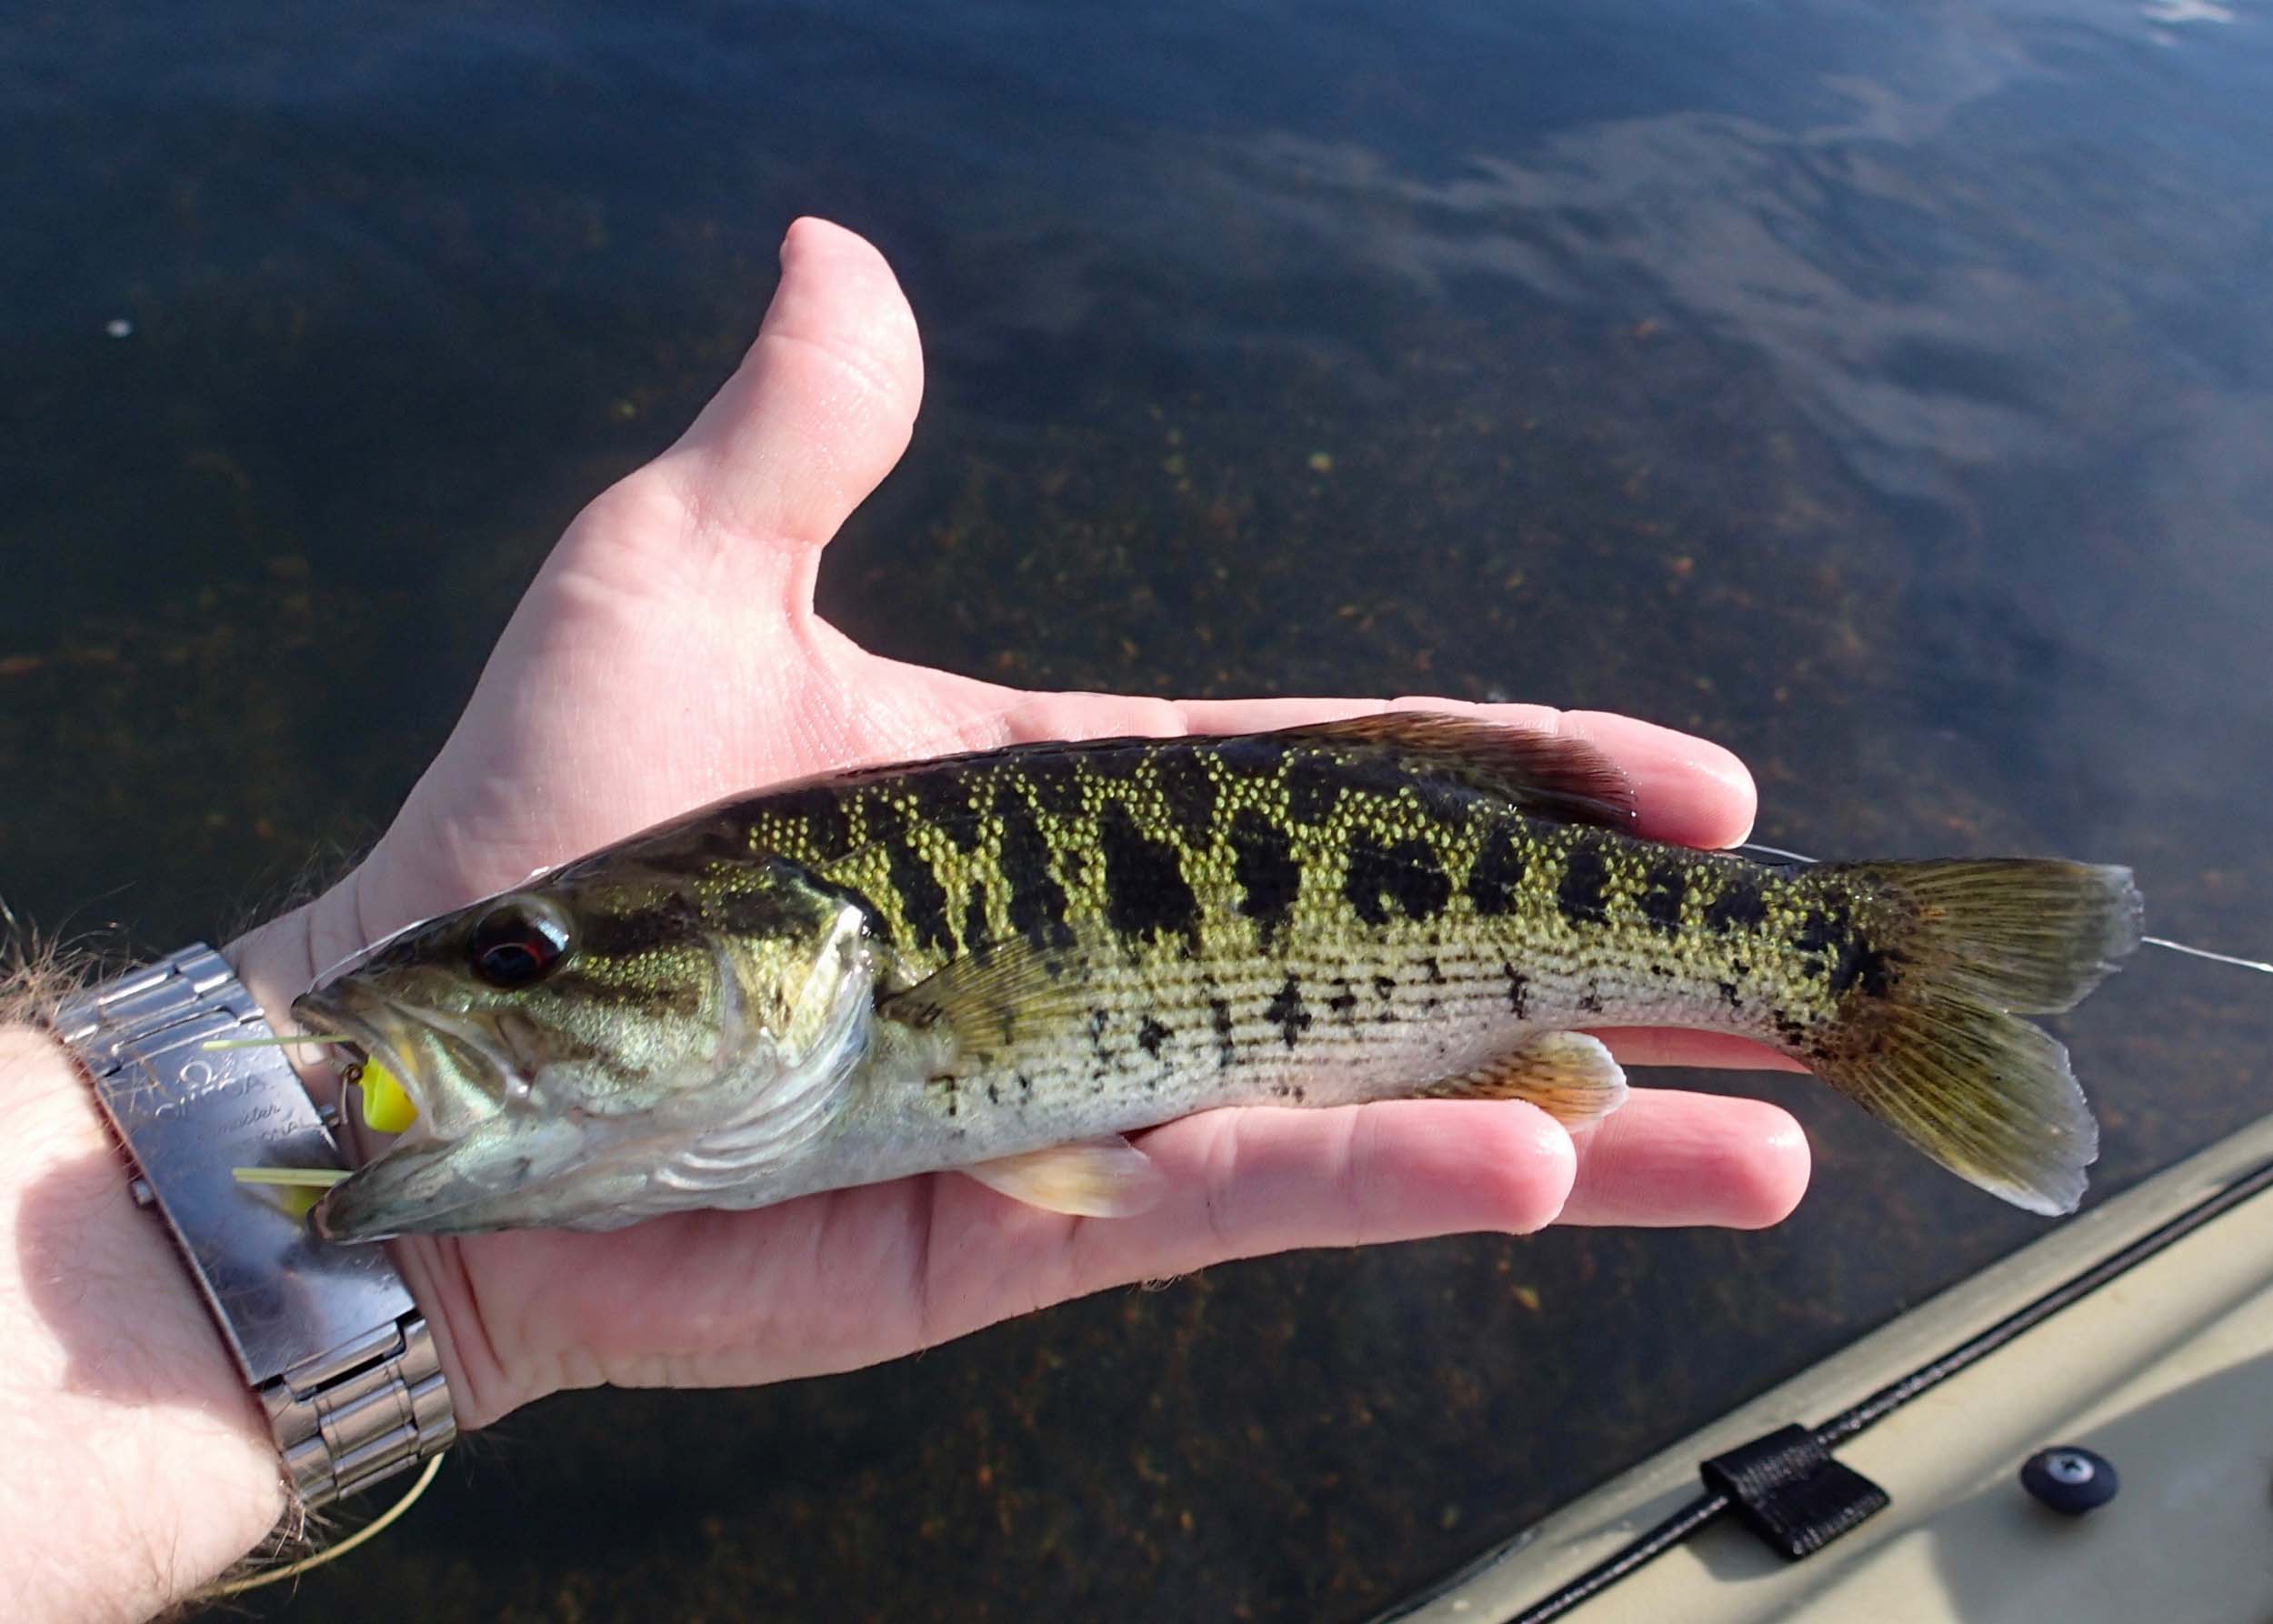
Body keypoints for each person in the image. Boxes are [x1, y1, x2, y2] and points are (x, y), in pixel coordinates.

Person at [0, 218, 1808, 1622]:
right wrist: (276, 1228)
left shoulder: (888, 1001)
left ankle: (1847, 964)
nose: (481, 981)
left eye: (521, 955)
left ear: (810, 957)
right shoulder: (622, 1055)